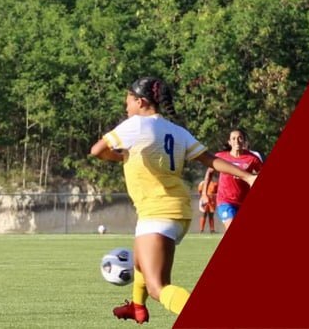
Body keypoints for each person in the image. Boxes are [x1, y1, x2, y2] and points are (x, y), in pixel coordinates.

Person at [90, 77, 257, 324]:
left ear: (140, 101)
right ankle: (137, 307)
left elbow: (96, 150)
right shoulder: (176, 131)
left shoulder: (135, 124)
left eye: (128, 99)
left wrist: (119, 156)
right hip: (175, 210)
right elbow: (209, 159)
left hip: (159, 211)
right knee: (139, 261)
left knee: (158, 287)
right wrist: (247, 176)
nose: (125, 105)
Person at [202, 129, 263, 231]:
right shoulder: (220, 157)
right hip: (225, 201)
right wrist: (204, 193)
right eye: (233, 138)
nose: (237, 141)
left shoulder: (252, 159)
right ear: (229, 142)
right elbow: (209, 172)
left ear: (244, 141)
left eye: (240, 138)